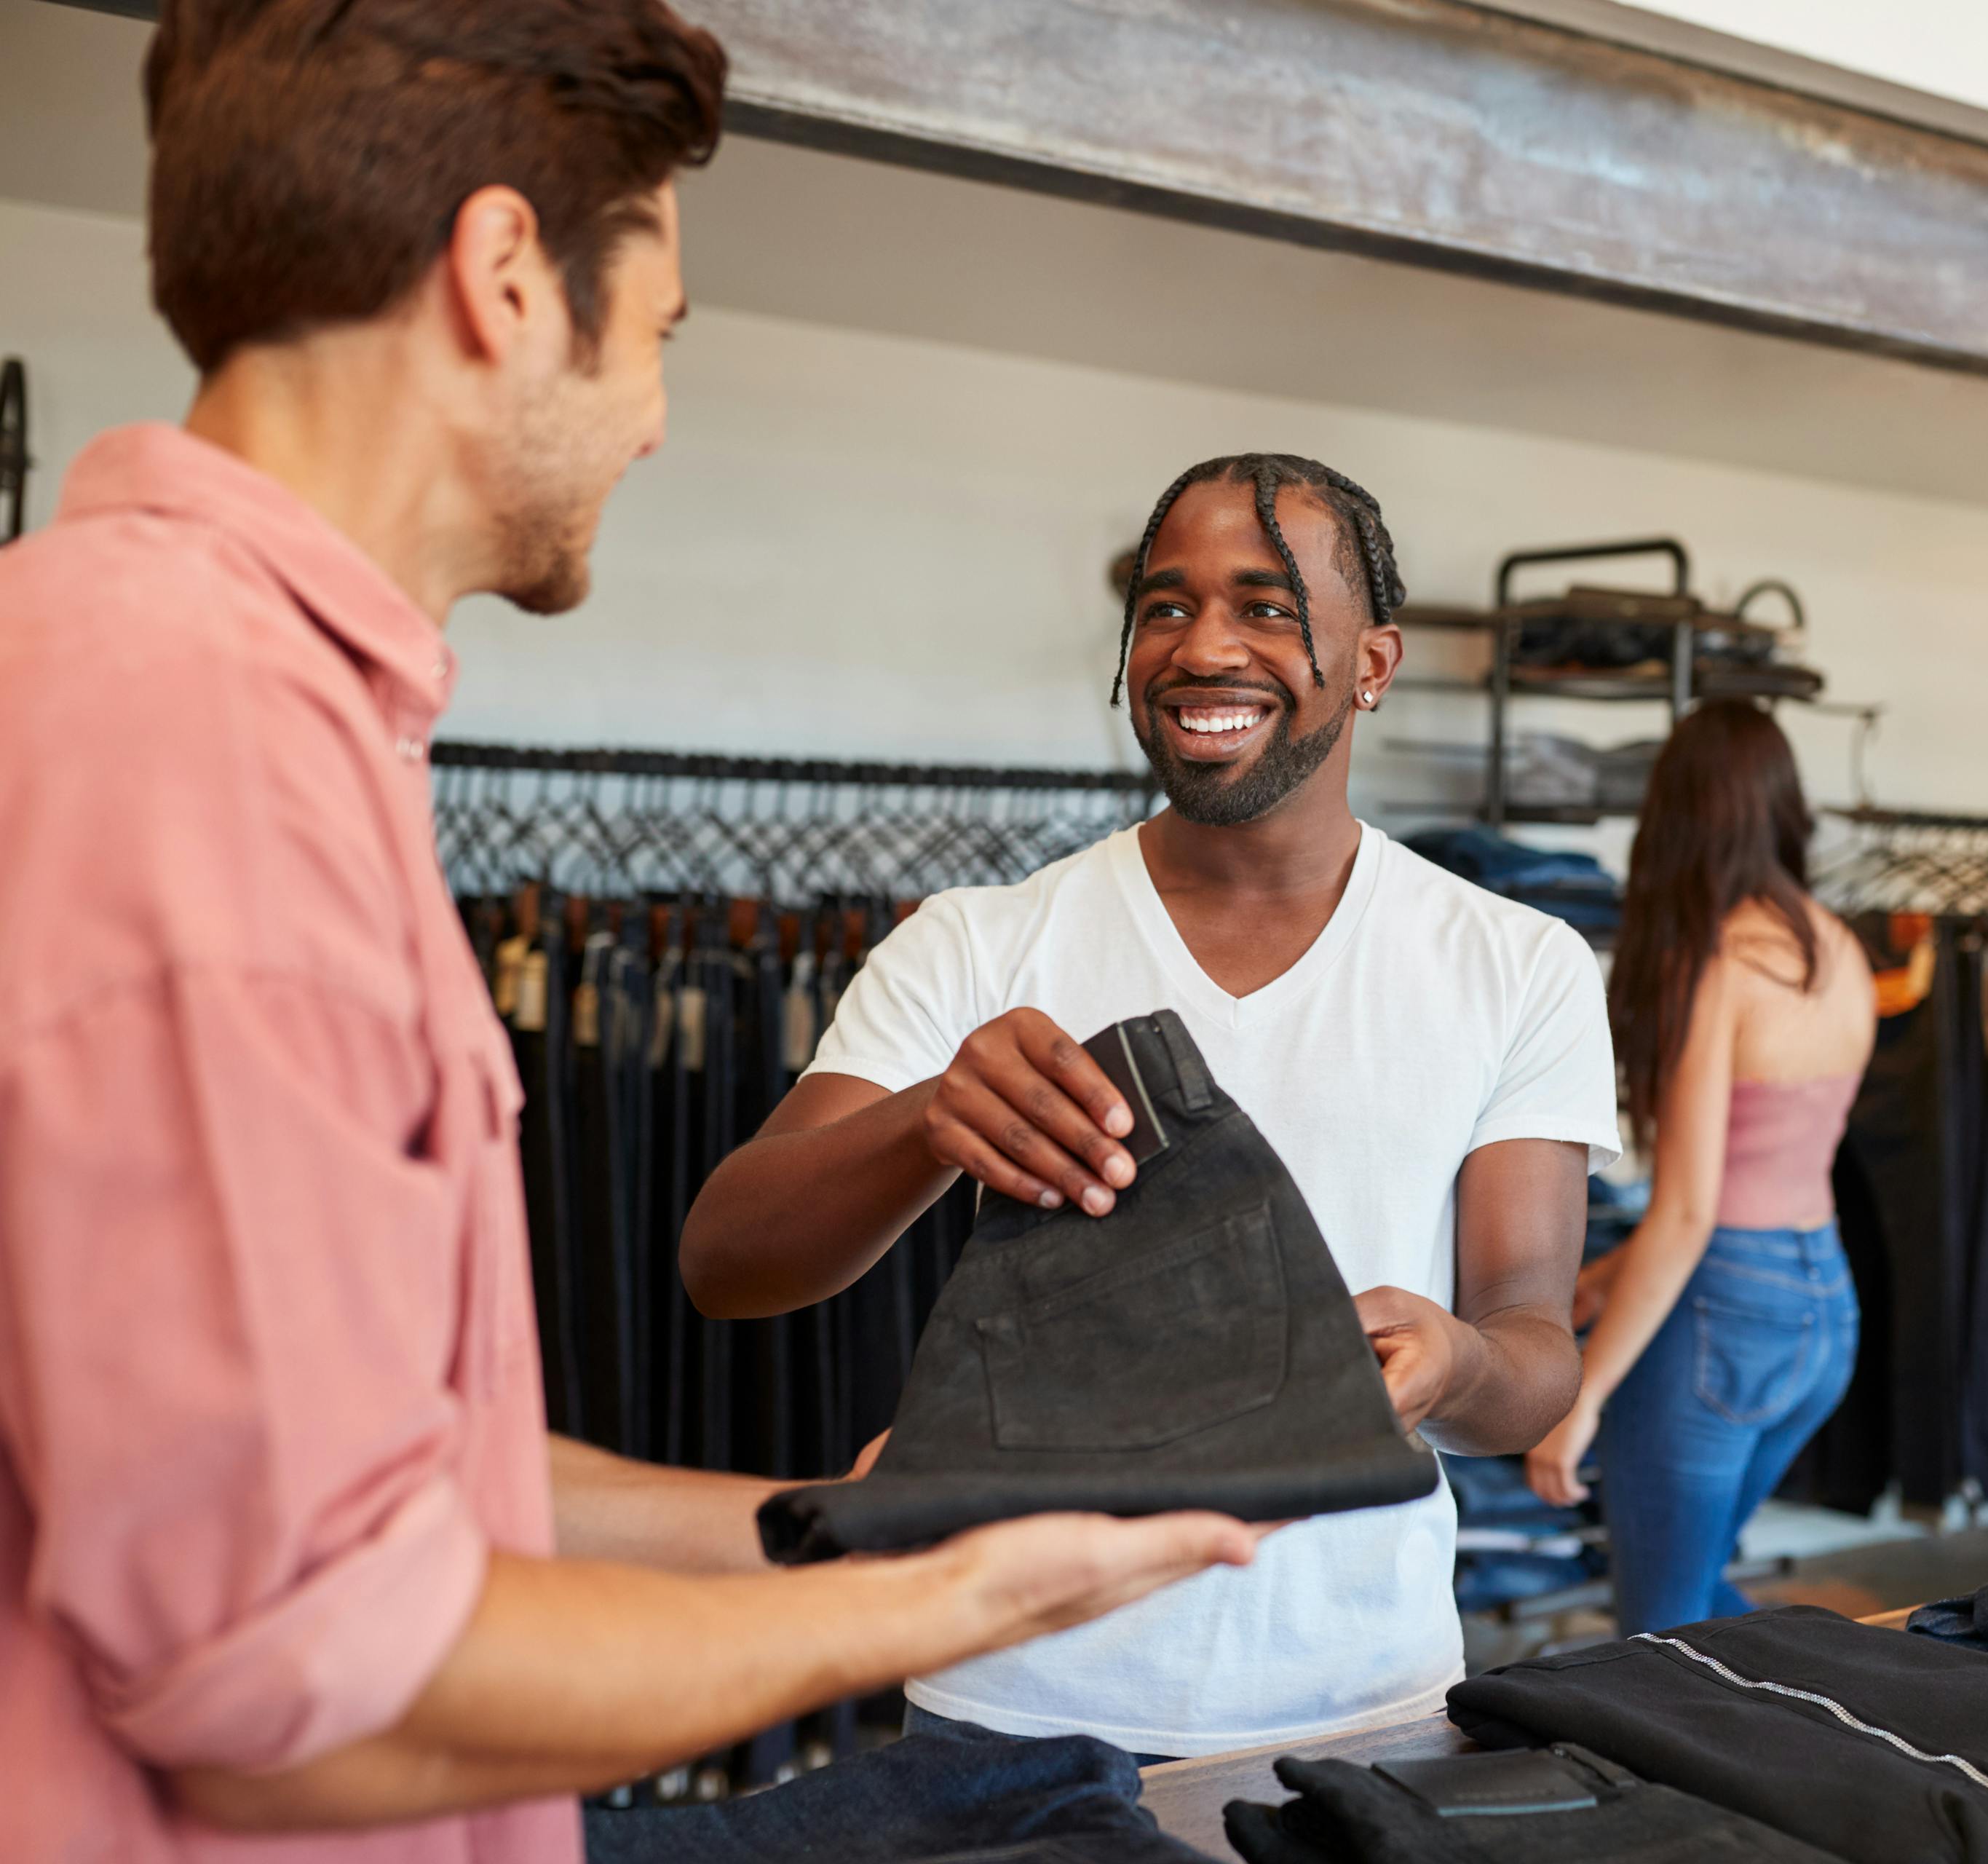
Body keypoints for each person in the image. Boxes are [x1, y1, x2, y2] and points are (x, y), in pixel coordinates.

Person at [0, 7, 1256, 1857]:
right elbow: (302, 1693)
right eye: (656, 333)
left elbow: (400, 1475)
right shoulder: (198, 751)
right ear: (507, 276)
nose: (656, 415)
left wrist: (840, 1514)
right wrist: (961, 1604)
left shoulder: (212, 697)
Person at [681, 452, 1621, 1761]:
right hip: (1005, 1709)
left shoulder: (1514, 962)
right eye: (1166, 606)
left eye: (1269, 606)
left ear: (1375, 662)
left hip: (1365, 1709)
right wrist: (929, 1120)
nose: (1203, 647)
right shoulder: (982, 944)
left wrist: (1459, 1361)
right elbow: (727, 1261)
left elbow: (1532, 1344)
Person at [1524, 701, 1875, 1634]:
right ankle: (1829, 1717)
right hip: (1823, 1309)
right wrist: (1607, 1276)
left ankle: (1806, 1734)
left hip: (1723, 1312)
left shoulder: (1716, 963)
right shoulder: (1839, 948)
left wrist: (1582, 1397)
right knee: (1700, 1591)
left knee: (1662, 1632)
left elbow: (1689, 1216)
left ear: (1676, 815)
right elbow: (1778, 1161)